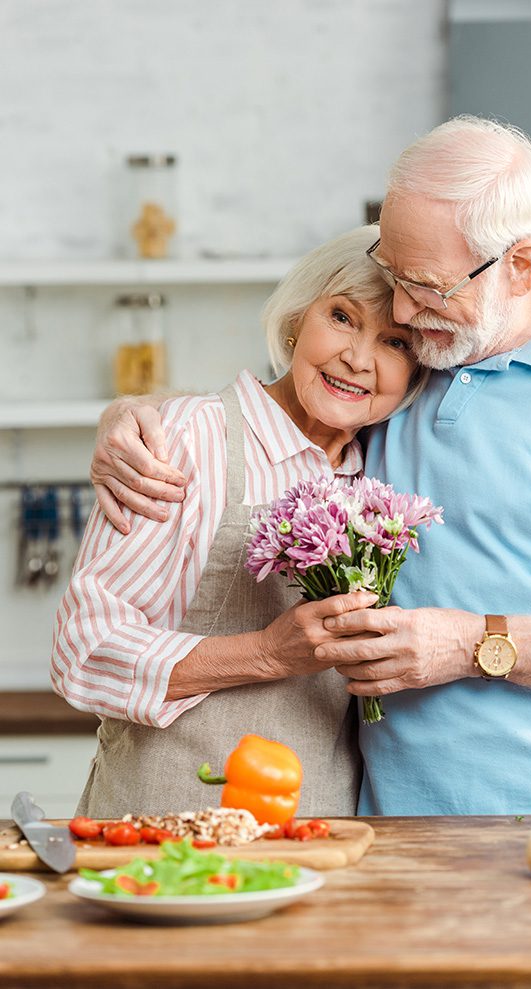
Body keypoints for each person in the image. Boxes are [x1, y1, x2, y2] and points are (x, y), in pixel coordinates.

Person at [88, 117, 531, 818]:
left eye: (424, 285)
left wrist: (474, 644)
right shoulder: (414, 368)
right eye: (393, 276)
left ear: (520, 266)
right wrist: (132, 415)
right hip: (379, 833)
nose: (399, 310)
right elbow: (268, 416)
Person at [51, 226, 426, 818]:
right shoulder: (185, 438)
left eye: (396, 343)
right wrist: (268, 653)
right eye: (342, 317)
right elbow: (84, 649)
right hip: (160, 828)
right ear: (299, 317)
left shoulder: (380, 473)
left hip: (316, 835)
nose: (358, 358)